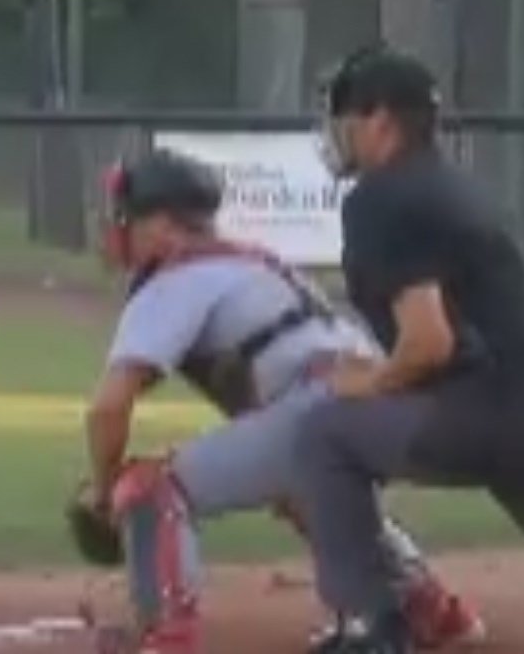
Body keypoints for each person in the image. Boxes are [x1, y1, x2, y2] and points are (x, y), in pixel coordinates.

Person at [291, 44, 524, 653]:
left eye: (347, 118)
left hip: (502, 416)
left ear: (382, 122)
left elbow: (428, 342)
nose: (338, 133)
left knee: (325, 431)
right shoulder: (462, 191)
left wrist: (369, 382)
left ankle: (372, 624)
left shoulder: (380, 196)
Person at [78, 148, 482, 654]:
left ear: (161, 225)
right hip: (379, 395)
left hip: (324, 399)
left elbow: (108, 409)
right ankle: (427, 608)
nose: (113, 226)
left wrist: (103, 492)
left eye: (125, 216)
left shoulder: (174, 279)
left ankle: (166, 638)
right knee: (310, 492)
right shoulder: (249, 261)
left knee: (147, 490)